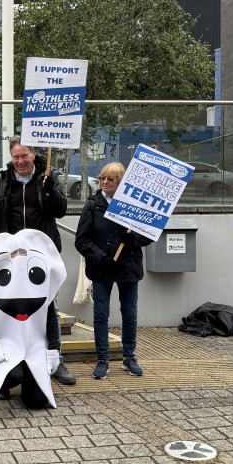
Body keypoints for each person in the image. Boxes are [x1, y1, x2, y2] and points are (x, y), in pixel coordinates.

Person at [0, 136, 76, 387]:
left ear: (34, 154)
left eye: (25, 155)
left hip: (42, 256)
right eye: (16, 156)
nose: (20, 161)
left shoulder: (48, 178)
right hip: (10, 258)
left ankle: (56, 359)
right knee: (11, 307)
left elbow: (60, 210)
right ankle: (14, 360)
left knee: (49, 305)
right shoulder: (3, 182)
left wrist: (49, 189)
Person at [0, 230, 67, 409]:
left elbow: (51, 315)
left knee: (37, 401)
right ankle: (4, 382)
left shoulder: (41, 282)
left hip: (35, 346)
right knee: (13, 375)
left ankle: (28, 378)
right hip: (5, 347)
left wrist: (53, 349)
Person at [74, 162, 153, 380]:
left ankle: (129, 357)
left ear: (122, 182)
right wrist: (100, 258)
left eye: (110, 179)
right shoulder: (93, 205)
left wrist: (133, 239)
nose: (105, 182)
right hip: (102, 269)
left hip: (128, 267)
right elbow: (82, 240)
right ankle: (103, 359)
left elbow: (149, 234)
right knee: (101, 314)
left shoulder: (134, 205)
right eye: (102, 178)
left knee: (130, 314)